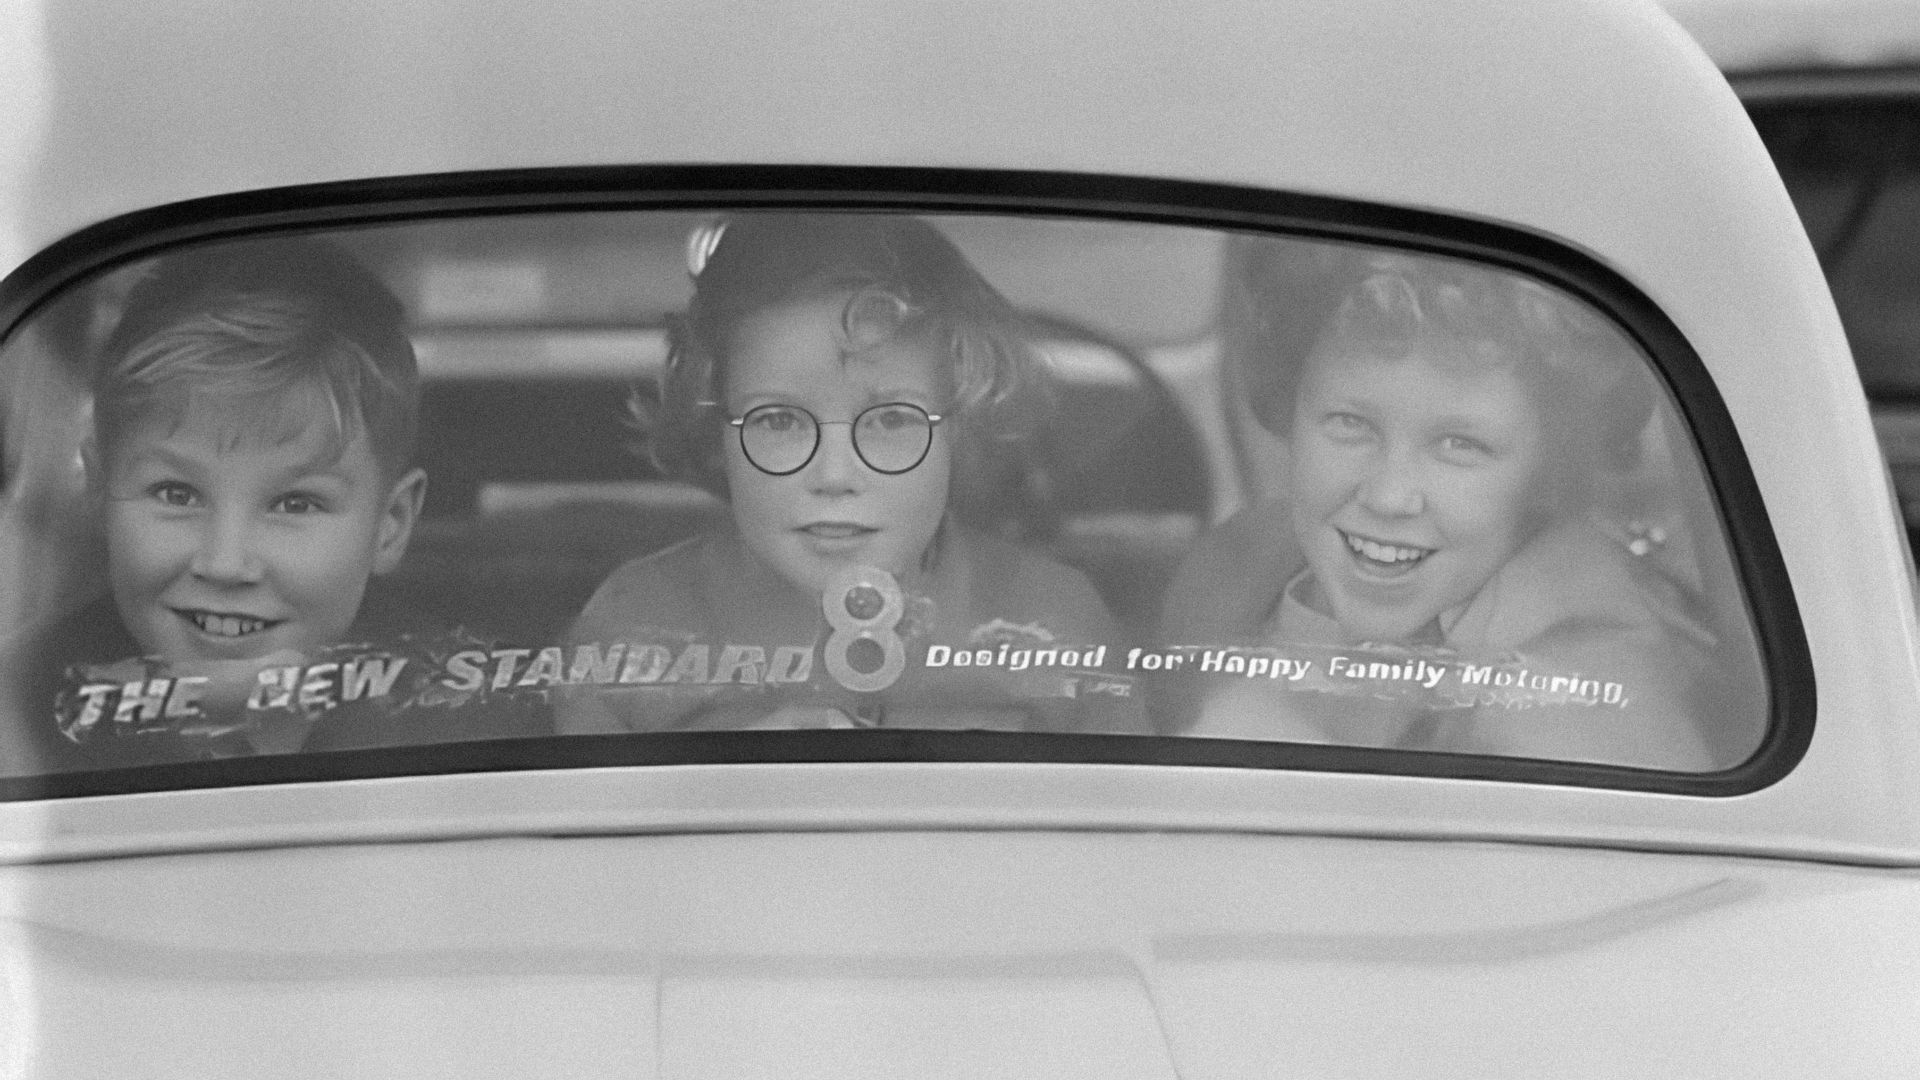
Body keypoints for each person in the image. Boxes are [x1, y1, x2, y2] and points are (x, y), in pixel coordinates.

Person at [559, 214, 1141, 733]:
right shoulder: (633, 627)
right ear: (716, 432)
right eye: (780, 421)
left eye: (890, 420)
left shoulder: (1053, 622)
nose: (834, 474)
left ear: (958, 428)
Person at [1166, 255, 1742, 769]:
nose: (1389, 497)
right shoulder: (1237, 571)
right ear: (1291, 413)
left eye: (1460, 446)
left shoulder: (1580, 691)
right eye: (1350, 423)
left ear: (1546, 470)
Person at [23, 238, 536, 766]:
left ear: (391, 524)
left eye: (295, 504)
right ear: (98, 492)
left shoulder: (473, 718)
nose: (225, 564)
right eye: (176, 494)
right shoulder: (18, 718)